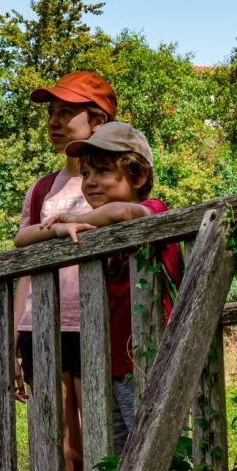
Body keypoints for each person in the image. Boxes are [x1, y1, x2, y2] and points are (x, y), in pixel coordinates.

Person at [39, 121, 183, 454]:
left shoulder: (154, 211)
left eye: (102, 171)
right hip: (110, 365)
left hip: (151, 362)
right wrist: (60, 228)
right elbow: (23, 239)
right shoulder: (98, 230)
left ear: (138, 176)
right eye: (86, 174)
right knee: (117, 459)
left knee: (158, 455)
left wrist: (74, 223)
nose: (89, 182)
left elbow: (122, 212)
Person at [13, 71, 116, 471]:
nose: (54, 122)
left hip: (95, 323)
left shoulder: (115, 181)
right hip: (40, 327)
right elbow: (24, 256)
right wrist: (12, 335)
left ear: (98, 121)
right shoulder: (42, 190)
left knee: (96, 443)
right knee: (56, 448)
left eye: (66, 113)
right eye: (51, 113)